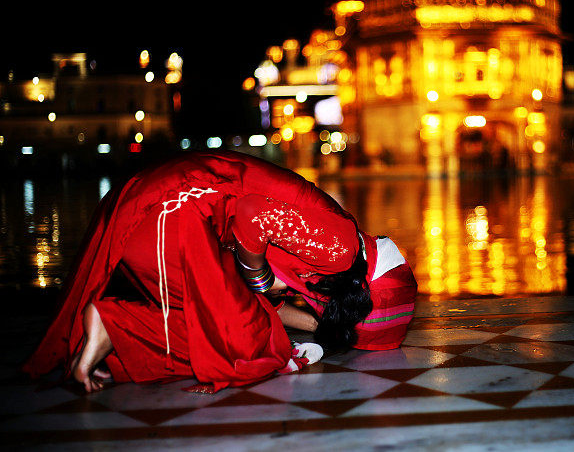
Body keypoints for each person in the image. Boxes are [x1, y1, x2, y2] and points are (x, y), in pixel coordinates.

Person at [23, 150, 416, 393]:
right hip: (170, 214)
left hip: (162, 217)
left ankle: (112, 326)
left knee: (241, 321)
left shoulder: (327, 255)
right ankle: (116, 326)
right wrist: (260, 279)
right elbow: (250, 216)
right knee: (244, 349)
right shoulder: (341, 248)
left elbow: (262, 305)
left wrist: (317, 326)